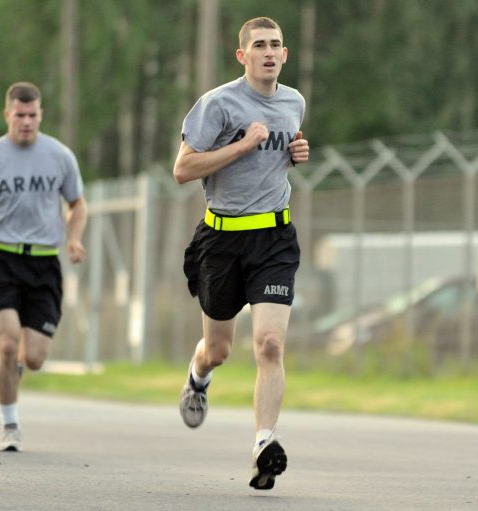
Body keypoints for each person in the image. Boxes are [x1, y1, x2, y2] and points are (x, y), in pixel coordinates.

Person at [173, 17, 310, 490]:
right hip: (222, 239)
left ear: (285, 54)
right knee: (219, 349)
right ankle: (197, 375)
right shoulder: (218, 104)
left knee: (270, 345)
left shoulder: (294, 102)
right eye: (259, 45)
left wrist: (294, 153)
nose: (268, 52)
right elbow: (183, 169)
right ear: (243, 56)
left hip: (274, 237)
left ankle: (263, 446)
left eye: (275, 45)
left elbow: (278, 158)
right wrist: (243, 145)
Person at [0, 82, 87, 452]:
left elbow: (78, 204)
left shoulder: (59, 156)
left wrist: (74, 237)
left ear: (41, 114)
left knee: (34, 357)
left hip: (44, 262)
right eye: (19, 115)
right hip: (0, 257)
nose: (26, 122)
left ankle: (12, 371)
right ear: (7, 115)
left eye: (32, 115)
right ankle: (9, 425)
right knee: (9, 343)